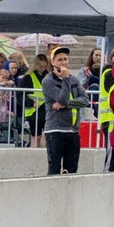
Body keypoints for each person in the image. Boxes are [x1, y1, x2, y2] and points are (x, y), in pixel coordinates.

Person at [36, 46, 84, 175]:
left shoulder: (74, 79)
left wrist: (67, 105)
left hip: (72, 129)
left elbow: (85, 100)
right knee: (54, 168)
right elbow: (61, 98)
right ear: (53, 62)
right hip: (55, 129)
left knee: (72, 169)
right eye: (60, 60)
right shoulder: (48, 81)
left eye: (65, 59)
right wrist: (66, 79)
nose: (63, 62)